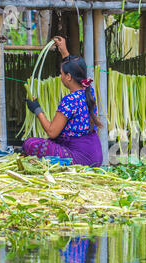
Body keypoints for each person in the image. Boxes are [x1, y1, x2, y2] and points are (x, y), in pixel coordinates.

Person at [22, 36, 103, 167]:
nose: (60, 77)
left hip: (79, 157)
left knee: (29, 144)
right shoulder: (89, 90)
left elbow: (52, 132)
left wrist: (37, 109)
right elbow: (74, 67)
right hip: (95, 154)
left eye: (62, 74)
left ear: (69, 77)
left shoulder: (70, 100)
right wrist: (64, 52)